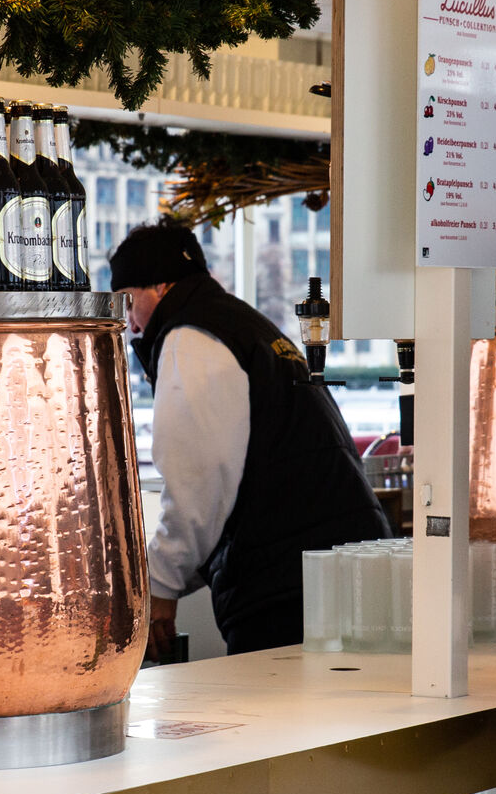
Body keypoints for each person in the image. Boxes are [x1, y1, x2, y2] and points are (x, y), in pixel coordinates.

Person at [109, 221, 390, 656]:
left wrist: (160, 585)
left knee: (288, 720)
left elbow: (199, 486)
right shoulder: (245, 325)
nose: (128, 324)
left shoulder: (190, 338)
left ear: (162, 288)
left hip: (289, 592)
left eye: (128, 302)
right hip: (343, 572)